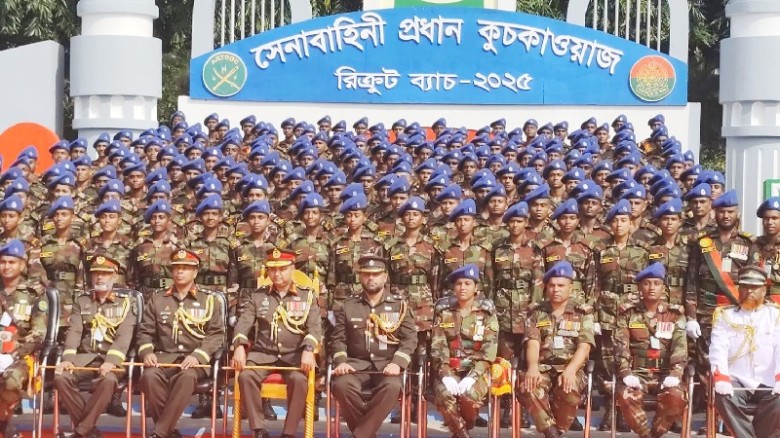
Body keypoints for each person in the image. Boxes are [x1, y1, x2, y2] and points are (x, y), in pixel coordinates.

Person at [231, 248, 321, 438]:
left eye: (282, 269)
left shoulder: (307, 295)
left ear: (292, 268)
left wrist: (309, 349)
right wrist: (239, 346)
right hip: (263, 353)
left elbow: (314, 328)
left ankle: (288, 433)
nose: (277, 274)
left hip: (294, 355)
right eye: (272, 269)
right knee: (246, 376)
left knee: (299, 381)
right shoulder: (258, 296)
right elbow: (243, 324)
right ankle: (258, 429)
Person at [137, 249, 225, 438]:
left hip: (194, 361)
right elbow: (145, 331)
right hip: (164, 358)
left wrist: (198, 356)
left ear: (195, 272)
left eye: (186, 268)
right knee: (149, 377)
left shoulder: (209, 300)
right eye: (177, 268)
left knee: (187, 377)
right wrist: (147, 352)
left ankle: (160, 433)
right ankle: (168, 432)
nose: (180, 272)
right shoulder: (158, 298)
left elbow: (216, 334)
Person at [330, 254, 417, 438]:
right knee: (341, 385)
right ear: (360, 276)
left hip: (387, 367)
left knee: (392, 387)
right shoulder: (348, 305)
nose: (371, 278)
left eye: (376, 274)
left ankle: (359, 435)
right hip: (355, 366)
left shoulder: (400, 306)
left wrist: (397, 363)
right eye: (366, 274)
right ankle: (366, 434)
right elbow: (338, 339)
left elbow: (410, 339)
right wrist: (341, 361)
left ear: (385, 277)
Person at [54, 255, 139, 438]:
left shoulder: (127, 303)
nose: (100, 277)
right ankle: (89, 431)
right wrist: (68, 359)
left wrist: (112, 361)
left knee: (108, 380)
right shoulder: (82, 301)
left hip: (112, 360)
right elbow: (75, 332)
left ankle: (80, 432)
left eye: (105, 273)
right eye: (96, 273)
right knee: (61, 378)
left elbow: (124, 336)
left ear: (114, 276)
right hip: (84, 359)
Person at [518, 261, 595, 438]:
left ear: (570, 288)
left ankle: (556, 430)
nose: (556, 289)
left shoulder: (583, 312)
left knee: (569, 389)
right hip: (542, 367)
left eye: (561, 285)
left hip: (570, 367)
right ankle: (552, 432)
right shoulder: (536, 312)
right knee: (528, 387)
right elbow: (532, 342)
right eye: (552, 285)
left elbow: (584, 346)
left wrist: (570, 370)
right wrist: (533, 367)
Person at [615, 262, 688, 438]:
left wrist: (675, 374)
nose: (651, 288)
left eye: (656, 283)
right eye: (647, 283)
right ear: (640, 287)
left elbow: (680, 347)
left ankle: (656, 433)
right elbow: (620, 345)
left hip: (665, 374)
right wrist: (626, 373)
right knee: (625, 395)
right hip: (637, 373)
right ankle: (645, 434)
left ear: (663, 287)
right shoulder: (628, 313)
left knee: (677, 396)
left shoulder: (675, 314)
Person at [710, 266, 780, 438]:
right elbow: (718, 349)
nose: (750, 291)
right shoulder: (725, 316)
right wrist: (722, 377)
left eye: (755, 287)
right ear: (738, 289)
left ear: (764, 290)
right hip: (737, 380)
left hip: (768, 381)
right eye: (745, 287)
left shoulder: (775, 315)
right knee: (722, 396)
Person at [432, 264, 499, 438]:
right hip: (451, 368)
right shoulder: (443, 312)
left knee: (468, 395)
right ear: (454, 288)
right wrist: (445, 374)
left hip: (477, 370)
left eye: (467, 283)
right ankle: (462, 433)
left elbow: (489, 351)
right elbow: (438, 346)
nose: (462, 287)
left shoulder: (486, 313)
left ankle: (462, 428)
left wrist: (473, 376)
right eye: (459, 283)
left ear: (476, 288)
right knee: (444, 395)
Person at [0, 240, 49, 437]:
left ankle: (3, 422)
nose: (6, 266)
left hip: (20, 357)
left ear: (22, 265)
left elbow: (38, 334)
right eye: (3, 262)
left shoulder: (34, 294)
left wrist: (12, 355)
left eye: (12, 262)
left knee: (11, 381)